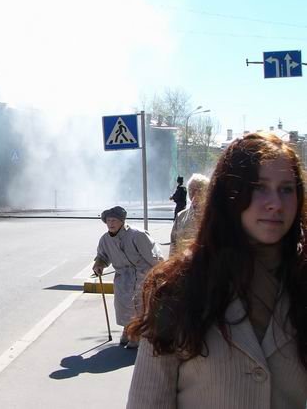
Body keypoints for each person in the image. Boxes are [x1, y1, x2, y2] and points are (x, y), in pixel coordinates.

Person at [126, 133, 307, 408]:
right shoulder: (179, 287)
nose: (276, 204)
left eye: (286, 189)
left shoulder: (302, 281)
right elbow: (148, 401)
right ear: (229, 195)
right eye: (259, 186)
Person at [92, 206, 164, 349]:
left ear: (122, 221)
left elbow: (154, 256)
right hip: (122, 276)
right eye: (108, 220)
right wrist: (99, 264)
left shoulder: (137, 235)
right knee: (122, 305)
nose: (110, 223)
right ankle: (128, 329)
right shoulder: (105, 239)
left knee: (139, 305)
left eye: (114, 220)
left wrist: (161, 273)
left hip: (142, 273)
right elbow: (102, 256)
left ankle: (137, 334)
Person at [169, 173, 210, 258]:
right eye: (191, 190)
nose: (194, 194)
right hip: (184, 264)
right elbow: (174, 244)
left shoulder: (214, 215)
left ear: (206, 191)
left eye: (198, 189)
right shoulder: (181, 216)